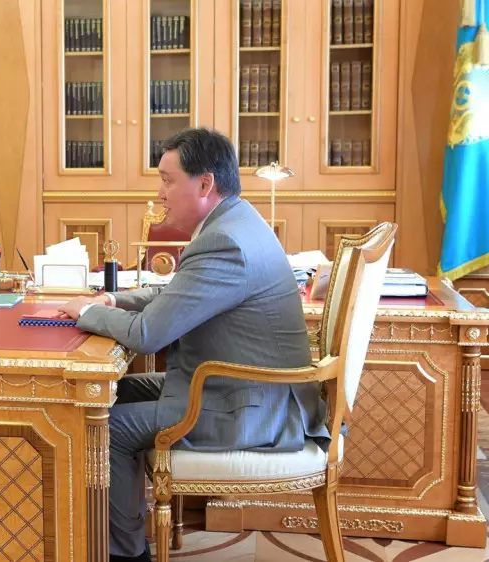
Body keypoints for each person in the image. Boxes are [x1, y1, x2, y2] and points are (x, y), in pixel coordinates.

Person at [57, 127, 328, 562]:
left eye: (167, 180)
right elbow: (177, 294)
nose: (159, 193)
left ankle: (127, 555)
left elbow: (148, 334)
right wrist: (113, 300)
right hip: (236, 387)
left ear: (205, 184)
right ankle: (111, 536)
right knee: (110, 394)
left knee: (105, 426)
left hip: (250, 407)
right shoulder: (236, 221)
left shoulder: (225, 242)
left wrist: (86, 312)